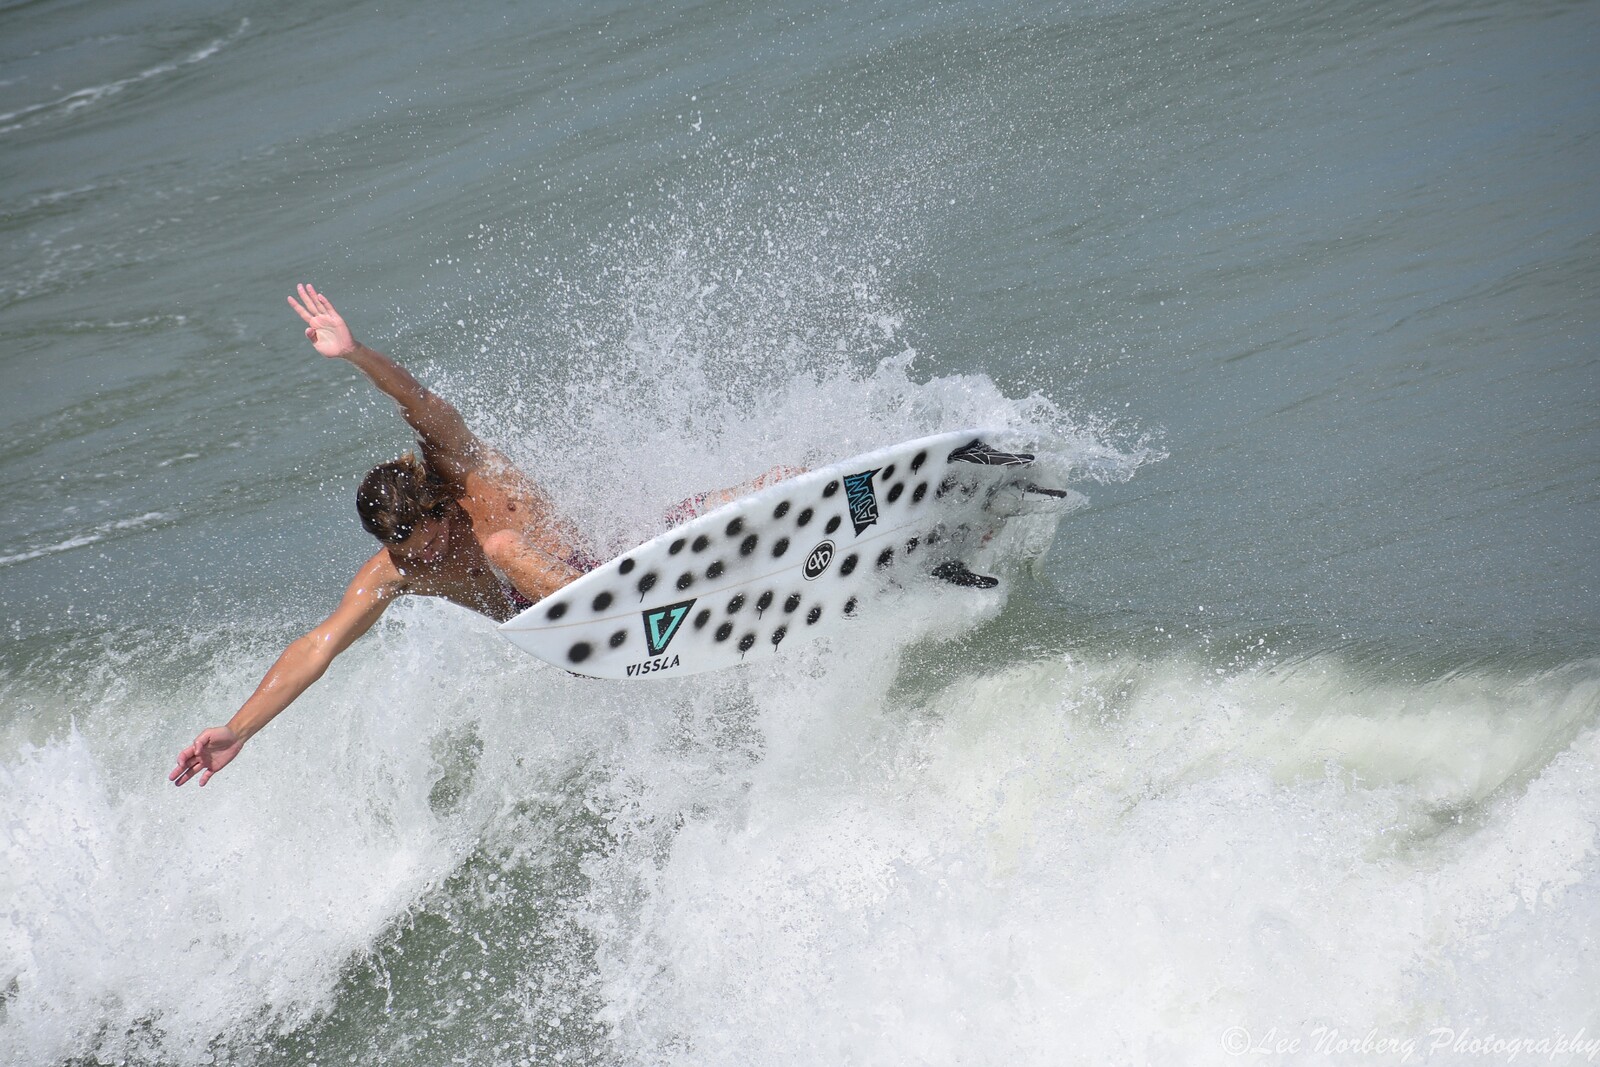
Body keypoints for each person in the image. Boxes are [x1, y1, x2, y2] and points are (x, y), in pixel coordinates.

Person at [171, 285, 792, 788]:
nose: (430, 557)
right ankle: (647, 619)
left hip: (612, 567)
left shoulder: (465, 470)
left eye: (433, 540)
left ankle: (834, 499)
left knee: (745, 496)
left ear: (437, 506)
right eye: (413, 554)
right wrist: (239, 728)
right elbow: (317, 647)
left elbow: (416, 399)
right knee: (503, 552)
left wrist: (356, 354)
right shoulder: (399, 571)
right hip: (584, 637)